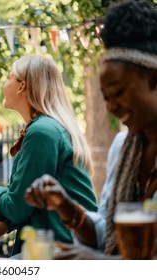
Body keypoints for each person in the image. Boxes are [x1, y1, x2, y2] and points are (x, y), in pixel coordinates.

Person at [24, 0, 157, 259]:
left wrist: (98, 264)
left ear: (153, 79)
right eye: (105, 97)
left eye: (118, 93)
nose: (111, 108)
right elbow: (106, 236)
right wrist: (66, 206)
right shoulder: (123, 147)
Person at [0, 54, 98, 256]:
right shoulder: (45, 128)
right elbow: (19, 208)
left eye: (10, 76)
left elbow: (15, 208)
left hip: (61, 251)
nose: (5, 83)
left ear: (22, 86)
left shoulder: (42, 132)